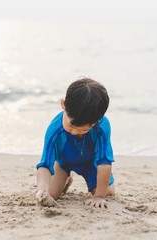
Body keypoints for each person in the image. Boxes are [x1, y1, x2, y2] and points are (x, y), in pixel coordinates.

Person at [36, 77, 115, 208]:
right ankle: (66, 178)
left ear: (97, 120)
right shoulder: (55, 129)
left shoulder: (102, 126)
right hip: (63, 163)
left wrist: (99, 196)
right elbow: (45, 164)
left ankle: (97, 189)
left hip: (91, 163)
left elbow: (104, 162)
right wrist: (41, 189)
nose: (74, 132)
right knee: (50, 194)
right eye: (71, 125)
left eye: (84, 129)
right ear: (63, 105)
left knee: (109, 193)